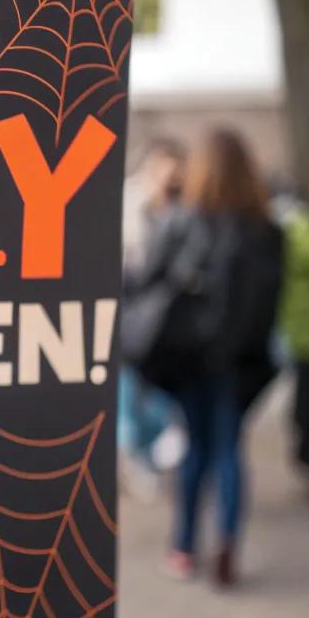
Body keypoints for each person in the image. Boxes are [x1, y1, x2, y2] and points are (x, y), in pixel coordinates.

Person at [124, 128, 282, 587]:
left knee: (196, 447)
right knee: (229, 448)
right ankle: (227, 540)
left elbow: (146, 281)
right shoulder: (267, 231)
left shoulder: (180, 221)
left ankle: (184, 546)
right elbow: (272, 303)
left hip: (190, 359)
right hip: (240, 362)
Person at [118, 137, 187, 492]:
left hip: (162, 320)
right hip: (133, 315)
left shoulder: (179, 210)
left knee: (151, 392)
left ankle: (147, 453)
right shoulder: (132, 206)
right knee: (130, 391)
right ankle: (135, 458)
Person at [279, 198, 309, 553]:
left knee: (308, 407)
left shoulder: (297, 234)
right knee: (307, 407)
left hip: (307, 335)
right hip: (308, 337)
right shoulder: (299, 234)